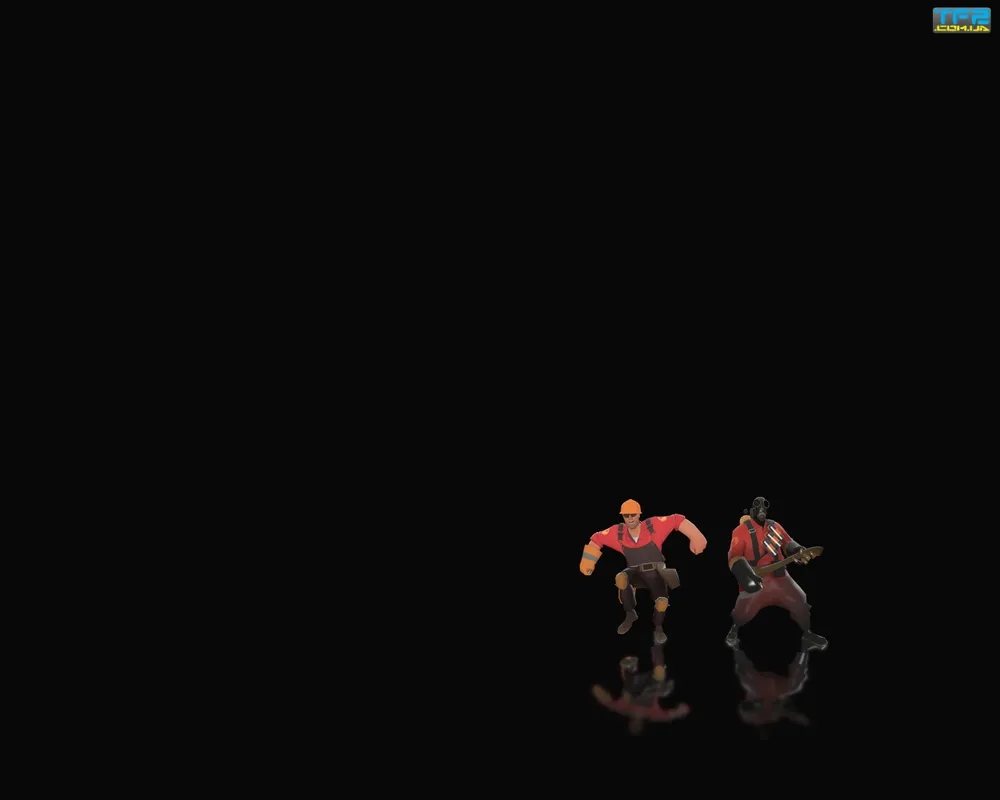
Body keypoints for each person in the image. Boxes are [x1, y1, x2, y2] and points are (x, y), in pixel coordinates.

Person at [580, 498, 708, 643]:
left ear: (639, 514)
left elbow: (676, 520)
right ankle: (630, 614)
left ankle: (658, 627)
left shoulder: (653, 526)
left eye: (633, 515)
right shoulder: (618, 532)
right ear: (622, 516)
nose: (630, 518)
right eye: (626, 515)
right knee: (621, 578)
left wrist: (696, 536)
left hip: (655, 573)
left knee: (662, 602)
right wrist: (588, 562)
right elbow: (597, 539)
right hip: (635, 572)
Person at [725, 496, 827, 652]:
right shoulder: (740, 531)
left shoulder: (774, 526)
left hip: (780, 577)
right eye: (757, 505)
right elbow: (734, 556)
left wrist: (798, 550)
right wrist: (744, 574)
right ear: (751, 510)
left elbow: (788, 542)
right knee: (743, 609)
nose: (761, 509)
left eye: (764, 505)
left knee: (800, 600)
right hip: (757, 577)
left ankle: (807, 633)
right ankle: (734, 629)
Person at [591, 640, 690, 734]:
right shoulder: (653, 715)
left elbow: (607, 702)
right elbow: (670, 715)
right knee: (660, 673)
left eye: (633, 727)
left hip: (634, 684)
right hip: (651, 685)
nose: (636, 725)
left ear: (629, 724)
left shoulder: (623, 710)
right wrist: (680, 712)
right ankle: (658, 646)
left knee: (630, 692)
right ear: (642, 726)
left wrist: (598, 692)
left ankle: (629, 669)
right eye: (638, 727)